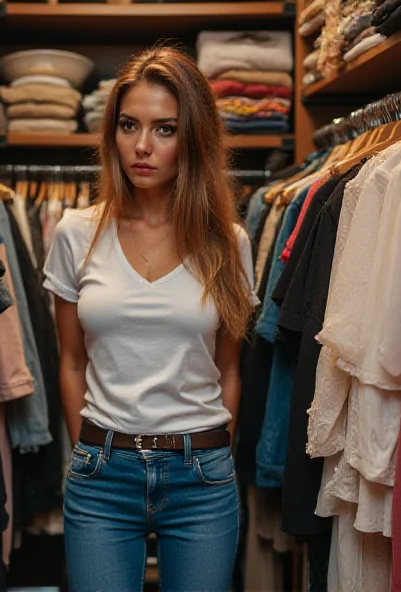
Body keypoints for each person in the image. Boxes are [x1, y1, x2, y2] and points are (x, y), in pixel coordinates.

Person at [42, 46, 259, 592]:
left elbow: (230, 367)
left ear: (194, 139)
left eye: (165, 129)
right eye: (129, 126)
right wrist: (86, 451)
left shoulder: (227, 243)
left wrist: (214, 453)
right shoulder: (74, 232)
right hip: (102, 473)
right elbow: (70, 361)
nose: (142, 146)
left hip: (201, 475)